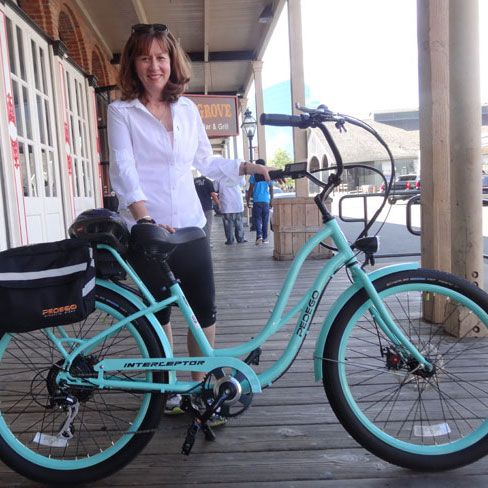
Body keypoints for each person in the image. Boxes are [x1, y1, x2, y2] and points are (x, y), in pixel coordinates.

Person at [107, 23, 274, 417]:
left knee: (204, 311)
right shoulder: (121, 111)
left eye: (161, 57)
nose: (154, 65)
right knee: (160, 312)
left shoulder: (186, 109)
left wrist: (247, 166)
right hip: (147, 231)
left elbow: (206, 161)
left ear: (172, 62)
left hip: (191, 226)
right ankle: (168, 387)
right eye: (144, 57)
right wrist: (144, 219)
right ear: (133, 62)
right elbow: (124, 170)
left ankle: (198, 383)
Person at [247, 159, 273, 245]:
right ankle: (265, 238)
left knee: (257, 219)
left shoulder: (254, 176)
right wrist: (271, 200)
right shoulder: (268, 175)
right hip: (266, 200)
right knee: (265, 220)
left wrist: (248, 200)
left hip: (257, 200)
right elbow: (271, 189)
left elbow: (251, 189)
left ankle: (259, 235)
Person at [214, 177, 247, 245]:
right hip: (237, 202)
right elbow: (243, 183)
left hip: (226, 203)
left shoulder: (219, 176)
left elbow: (215, 188)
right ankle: (240, 239)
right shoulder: (237, 173)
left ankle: (230, 240)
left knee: (227, 223)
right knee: (238, 222)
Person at [194, 174, 221, 244]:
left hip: (196, 207)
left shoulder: (194, 181)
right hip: (207, 206)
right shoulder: (208, 182)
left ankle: (198, 243)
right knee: (207, 225)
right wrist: (218, 204)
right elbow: (213, 194)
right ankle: (207, 243)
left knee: (197, 225)